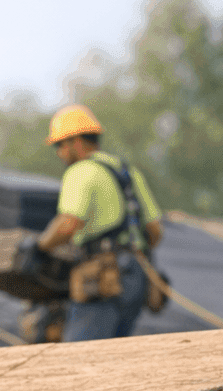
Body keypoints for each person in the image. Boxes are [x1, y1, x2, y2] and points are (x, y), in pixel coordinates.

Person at [33, 104, 165, 341]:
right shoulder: (127, 171)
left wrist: (40, 246)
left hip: (103, 277)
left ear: (76, 142)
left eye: (59, 145)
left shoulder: (80, 171)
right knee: (113, 356)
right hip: (138, 277)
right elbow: (155, 230)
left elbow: (68, 224)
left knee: (80, 359)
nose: (59, 153)